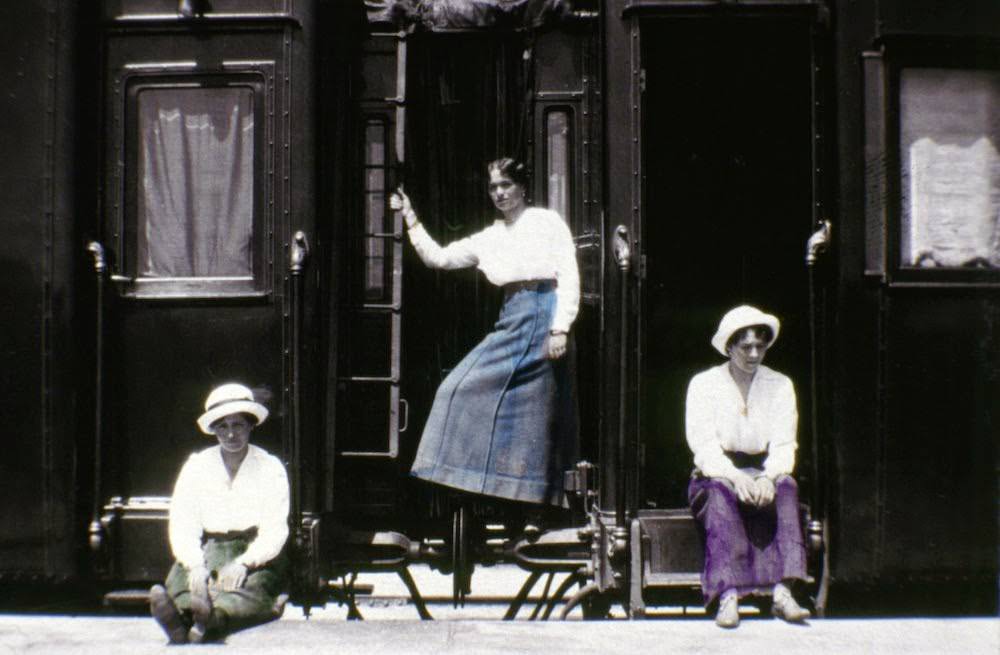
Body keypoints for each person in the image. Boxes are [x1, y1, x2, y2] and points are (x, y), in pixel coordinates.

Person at [389, 157, 579, 507]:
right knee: (454, 390)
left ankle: (539, 508)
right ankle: (472, 485)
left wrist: (560, 328)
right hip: (512, 317)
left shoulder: (547, 222)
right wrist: (410, 218)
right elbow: (440, 259)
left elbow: (568, 272)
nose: (500, 193)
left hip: (545, 314)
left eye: (506, 184)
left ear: (522, 187)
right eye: (493, 187)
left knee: (540, 418)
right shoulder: (490, 236)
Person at [685, 305, 811, 628]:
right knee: (720, 493)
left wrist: (769, 477)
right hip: (717, 472)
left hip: (764, 469)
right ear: (729, 346)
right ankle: (727, 596)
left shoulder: (781, 385)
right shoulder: (704, 384)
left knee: (787, 489)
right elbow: (703, 445)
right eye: (746, 347)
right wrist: (734, 476)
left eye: (761, 346)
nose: (754, 354)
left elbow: (785, 442)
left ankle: (784, 593)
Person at [149, 383, 290, 644]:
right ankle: (183, 620)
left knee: (249, 590)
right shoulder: (197, 466)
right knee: (187, 583)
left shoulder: (270, 467)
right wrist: (195, 564)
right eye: (222, 426)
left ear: (251, 425)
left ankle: (210, 620)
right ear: (213, 429)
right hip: (210, 549)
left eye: (237, 425)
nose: (231, 434)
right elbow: (183, 522)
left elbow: (275, 529)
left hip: (252, 552)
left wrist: (244, 562)